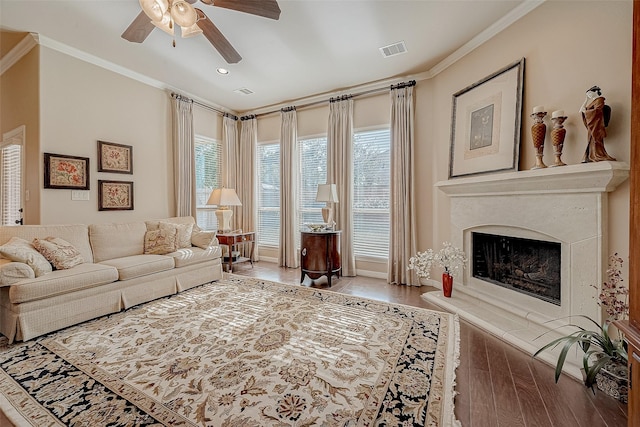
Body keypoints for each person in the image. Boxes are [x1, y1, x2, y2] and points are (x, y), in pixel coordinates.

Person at [579, 85, 615, 162]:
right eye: (587, 95)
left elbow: (597, 111)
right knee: (591, 140)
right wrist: (586, 99)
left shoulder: (600, 100)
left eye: (589, 93)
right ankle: (590, 155)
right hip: (591, 124)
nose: (589, 95)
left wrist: (586, 112)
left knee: (596, 139)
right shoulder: (592, 102)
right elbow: (581, 110)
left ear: (595, 91)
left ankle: (598, 155)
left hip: (596, 124)